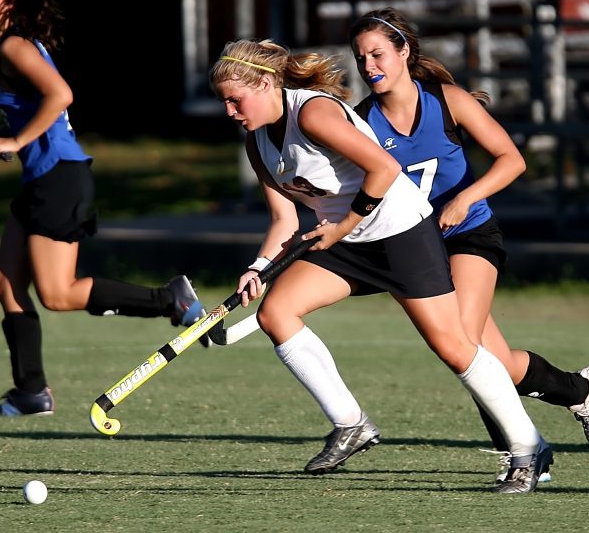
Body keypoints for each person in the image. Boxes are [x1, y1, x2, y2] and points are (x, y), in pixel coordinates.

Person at [210, 38, 552, 494]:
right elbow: (284, 219)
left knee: (453, 346)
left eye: (236, 99)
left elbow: (385, 169)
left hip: (399, 232)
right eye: (225, 102)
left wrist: (342, 225)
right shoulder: (258, 143)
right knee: (276, 312)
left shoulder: (312, 113)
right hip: (347, 240)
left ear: (269, 83)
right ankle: (351, 424)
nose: (231, 111)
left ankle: (529, 448)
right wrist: (259, 267)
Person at [347, 7, 589, 479]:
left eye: (378, 54)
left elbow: (511, 160)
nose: (370, 66)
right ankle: (580, 390)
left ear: (404, 52)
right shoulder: (362, 121)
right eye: (361, 57)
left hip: (471, 233)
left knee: (464, 344)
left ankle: (526, 454)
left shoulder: (447, 101)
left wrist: (463, 199)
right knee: (498, 363)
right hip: (415, 248)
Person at [0, 0, 207, 417]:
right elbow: (38, 118)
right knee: (6, 283)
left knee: (57, 294)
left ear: (8, 0)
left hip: (58, 178)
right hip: (43, 178)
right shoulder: (14, 45)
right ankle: (30, 393)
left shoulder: (15, 46)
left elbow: (60, 96)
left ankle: (170, 300)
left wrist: (15, 143)